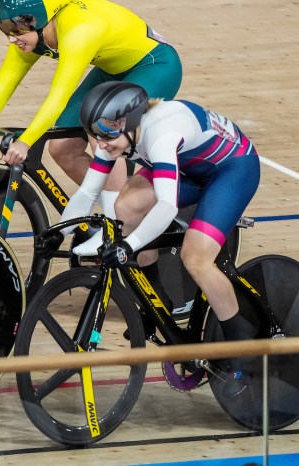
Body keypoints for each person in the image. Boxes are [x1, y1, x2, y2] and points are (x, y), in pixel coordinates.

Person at [0, 0, 182, 218]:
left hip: (156, 65)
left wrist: (26, 141)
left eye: (16, 29)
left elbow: (59, 94)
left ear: (39, 21)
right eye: (5, 29)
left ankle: (122, 223)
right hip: (112, 71)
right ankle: (124, 211)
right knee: (62, 148)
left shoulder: (78, 31)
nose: (11, 38)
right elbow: (2, 86)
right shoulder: (34, 36)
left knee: (102, 128)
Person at [64, 81, 261, 349]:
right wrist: (59, 233)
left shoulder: (160, 135)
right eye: (95, 133)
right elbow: (87, 193)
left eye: (107, 134)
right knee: (127, 207)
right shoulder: (115, 135)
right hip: (188, 168)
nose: (101, 143)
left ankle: (243, 347)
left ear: (130, 122)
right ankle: (156, 301)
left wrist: (128, 246)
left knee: (195, 259)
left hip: (231, 170)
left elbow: (166, 206)